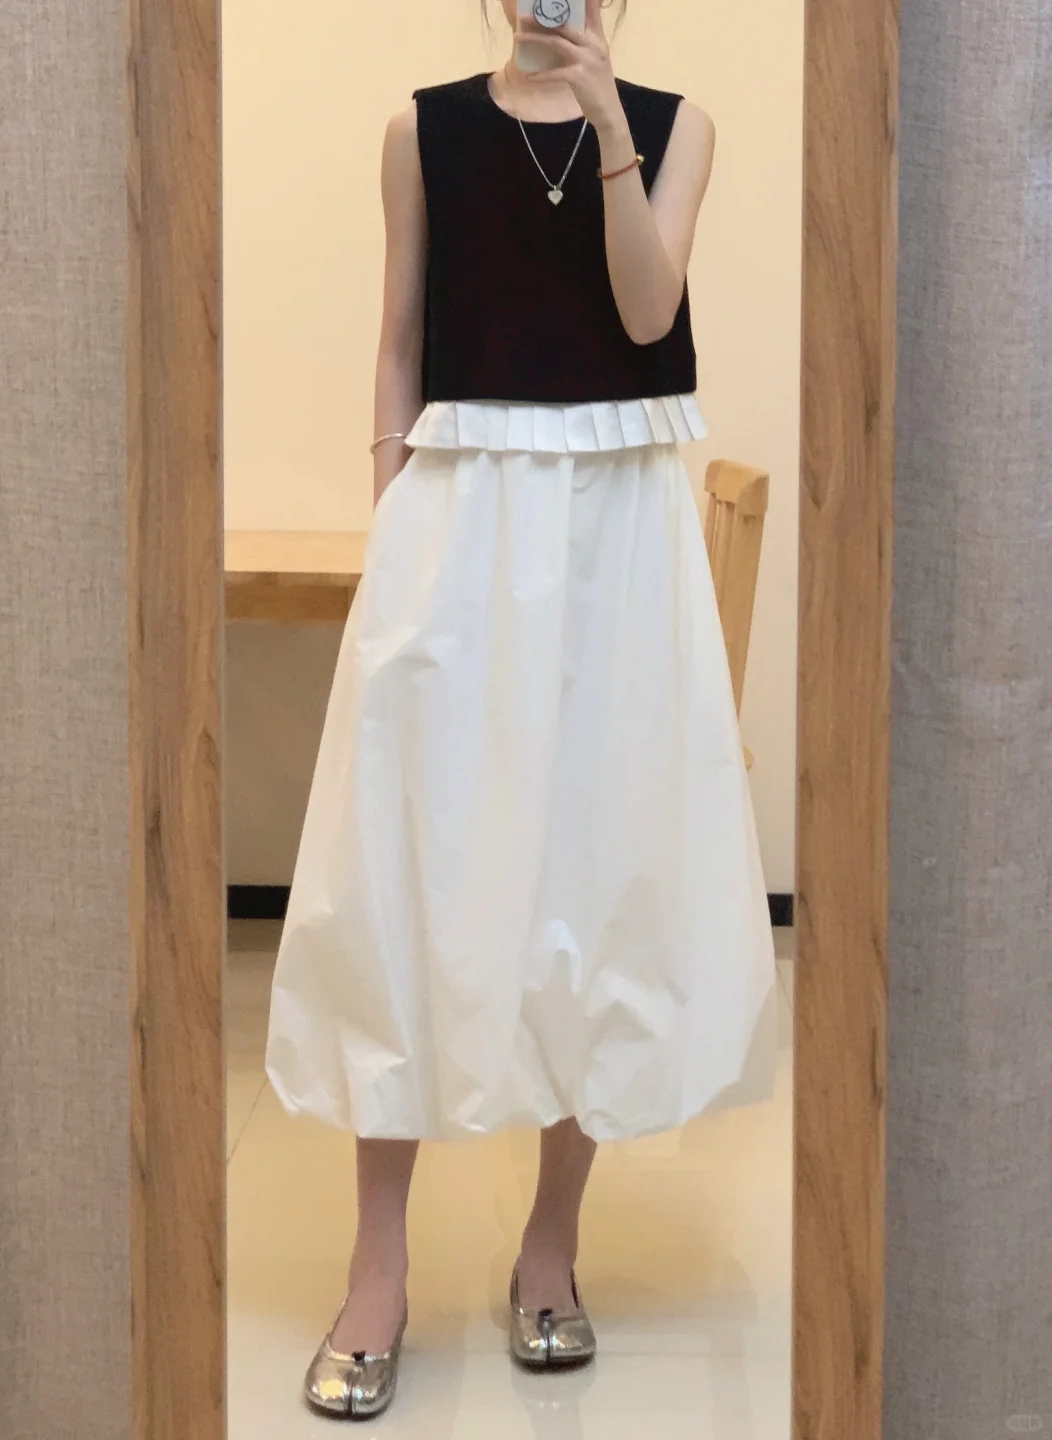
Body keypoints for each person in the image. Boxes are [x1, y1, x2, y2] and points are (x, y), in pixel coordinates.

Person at [264, 0, 777, 1419]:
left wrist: (611, 124)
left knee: (592, 878)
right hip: (459, 520)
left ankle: (550, 1248)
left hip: (618, 537)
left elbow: (648, 312)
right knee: (405, 873)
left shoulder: (677, 128)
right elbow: (398, 340)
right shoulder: (420, 130)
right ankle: (378, 1270)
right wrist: (393, 526)